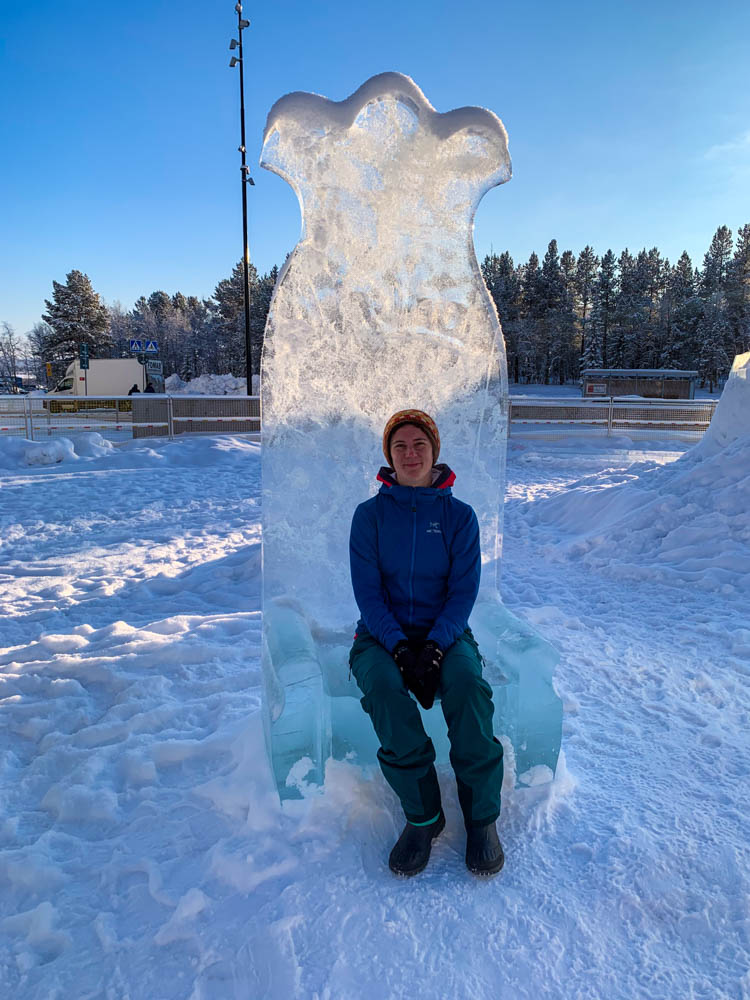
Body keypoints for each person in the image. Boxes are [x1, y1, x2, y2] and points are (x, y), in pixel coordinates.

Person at [349, 409, 505, 878]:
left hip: (447, 633)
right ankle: (423, 816)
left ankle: (482, 819)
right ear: (389, 456)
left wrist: (435, 648)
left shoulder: (459, 517)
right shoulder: (369, 517)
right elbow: (368, 594)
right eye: (400, 446)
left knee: (466, 686)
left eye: (419, 444)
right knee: (380, 687)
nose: (410, 453)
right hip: (380, 636)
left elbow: (463, 593)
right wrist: (398, 649)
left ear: (434, 452)